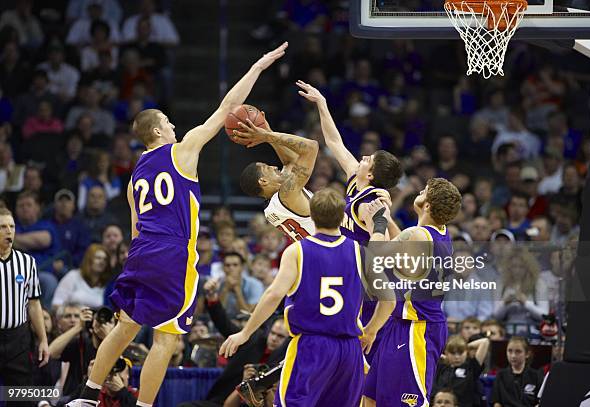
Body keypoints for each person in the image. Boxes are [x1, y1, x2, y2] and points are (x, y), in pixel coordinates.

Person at [67, 41, 288, 407]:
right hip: (172, 253)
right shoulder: (182, 150)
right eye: (168, 124)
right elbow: (227, 108)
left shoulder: (134, 175)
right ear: (156, 132)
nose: (173, 127)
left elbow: (136, 229)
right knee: (167, 340)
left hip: (140, 253)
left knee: (125, 326)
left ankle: (87, 396)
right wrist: (258, 67)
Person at [219, 188, 395, 407]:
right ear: (342, 217)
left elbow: (274, 294)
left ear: (311, 216)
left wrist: (245, 333)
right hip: (349, 350)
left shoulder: (297, 251)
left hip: (311, 346)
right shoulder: (360, 252)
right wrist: (370, 331)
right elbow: (389, 300)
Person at [362, 178, 462, 407]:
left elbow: (373, 257)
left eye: (425, 190)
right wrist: (386, 217)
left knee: (408, 402)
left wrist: (375, 221)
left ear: (427, 204)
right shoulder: (439, 232)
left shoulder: (417, 235)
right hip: (402, 324)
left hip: (418, 328)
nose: (419, 190)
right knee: (370, 397)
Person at [296, 80, 402, 245]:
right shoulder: (355, 178)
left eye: (369, 160)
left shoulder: (371, 204)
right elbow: (334, 142)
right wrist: (321, 103)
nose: (365, 157)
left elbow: (383, 248)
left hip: (358, 267)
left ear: (370, 174)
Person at [237, 117, 319, 241]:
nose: (274, 166)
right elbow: (311, 147)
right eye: (267, 168)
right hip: (333, 250)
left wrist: (268, 133)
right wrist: (267, 136)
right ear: (263, 181)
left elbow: (291, 162)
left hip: (318, 253)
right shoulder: (287, 194)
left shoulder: (272, 207)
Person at [0, 207, 50, 402]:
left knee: (21, 397)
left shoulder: (27, 262)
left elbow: (34, 304)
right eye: (2, 227)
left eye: (11, 226)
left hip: (18, 338)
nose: (8, 231)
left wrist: (43, 340)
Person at [432, 335, 490, 407]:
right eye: (453, 353)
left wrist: (464, 346)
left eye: (460, 353)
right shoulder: (441, 367)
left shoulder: (471, 367)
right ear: (446, 353)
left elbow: (485, 342)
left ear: (466, 352)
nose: (457, 357)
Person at [491, 336, 544, 407]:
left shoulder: (536, 375)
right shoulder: (501, 375)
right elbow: (496, 402)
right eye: (510, 351)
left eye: (518, 351)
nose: (513, 356)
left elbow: (540, 402)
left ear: (527, 354)